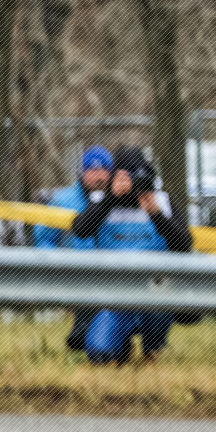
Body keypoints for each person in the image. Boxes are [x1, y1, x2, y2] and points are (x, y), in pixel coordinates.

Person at [69, 146, 194, 364]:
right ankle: (121, 345)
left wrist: (156, 215)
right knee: (100, 354)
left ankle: (153, 348)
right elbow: (80, 229)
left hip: (155, 295)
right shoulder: (102, 200)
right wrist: (111, 198)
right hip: (114, 297)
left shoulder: (162, 202)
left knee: (161, 305)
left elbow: (185, 244)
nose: (133, 186)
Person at [34, 145, 112, 350]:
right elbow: (43, 239)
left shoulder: (119, 201)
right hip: (73, 271)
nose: (99, 176)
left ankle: (90, 337)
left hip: (110, 270)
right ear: (82, 173)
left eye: (104, 170)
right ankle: (84, 335)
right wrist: (58, 264)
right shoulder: (63, 200)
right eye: (92, 170)